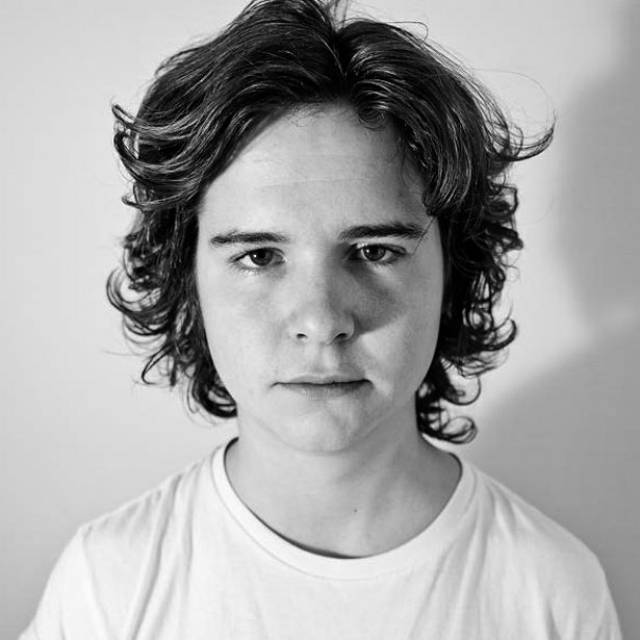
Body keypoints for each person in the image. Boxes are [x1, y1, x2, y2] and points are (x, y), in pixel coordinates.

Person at [21, 0, 622, 638]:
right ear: (188, 281)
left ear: (454, 270)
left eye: (374, 251)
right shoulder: (107, 586)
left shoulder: (551, 590)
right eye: (259, 256)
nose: (321, 320)